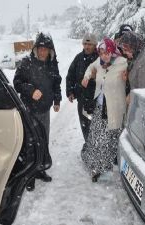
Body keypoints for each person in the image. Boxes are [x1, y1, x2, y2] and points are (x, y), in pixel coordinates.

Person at [13, 32, 62, 191]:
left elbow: (56, 82)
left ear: (50, 50)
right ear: (36, 49)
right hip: (29, 109)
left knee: (44, 139)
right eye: (40, 48)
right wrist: (30, 90)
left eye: (46, 49)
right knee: (30, 142)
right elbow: (17, 83)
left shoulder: (52, 64)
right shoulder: (27, 63)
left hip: (45, 109)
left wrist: (57, 99)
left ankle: (40, 169)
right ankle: (29, 175)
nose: (42, 52)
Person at [81, 38, 127, 182]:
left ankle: (102, 167)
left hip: (114, 108)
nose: (104, 56)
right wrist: (87, 76)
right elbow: (90, 67)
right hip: (100, 106)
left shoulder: (122, 63)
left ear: (112, 51)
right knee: (95, 137)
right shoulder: (99, 63)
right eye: (101, 53)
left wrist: (128, 78)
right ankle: (94, 165)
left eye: (107, 52)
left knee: (108, 140)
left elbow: (132, 77)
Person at [66, 33, 98, 144]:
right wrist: (70, 91)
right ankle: (89, 146)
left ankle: (95, 149)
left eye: (90, 44)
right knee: (85, 124)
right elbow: (70, 75)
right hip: (82, 99)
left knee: (96, 126)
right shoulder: (78, 58)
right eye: (85, 43)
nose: (87, 46)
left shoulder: (100, 58)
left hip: (97, 100)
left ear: (95, 45)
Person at [118, 31, 145, 104]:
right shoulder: (137, 56)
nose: (124, 52)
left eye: (125, 49)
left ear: (133, 46)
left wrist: (131, 97)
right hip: (139, 105)